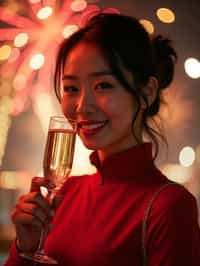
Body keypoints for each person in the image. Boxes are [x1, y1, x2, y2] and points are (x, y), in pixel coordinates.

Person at [5, 13, 200, 266]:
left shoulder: (170, 207)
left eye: (103, 86)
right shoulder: (65, 194)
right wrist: (25, 248)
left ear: (146, 93)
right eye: (71, 88)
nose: (82, 107)